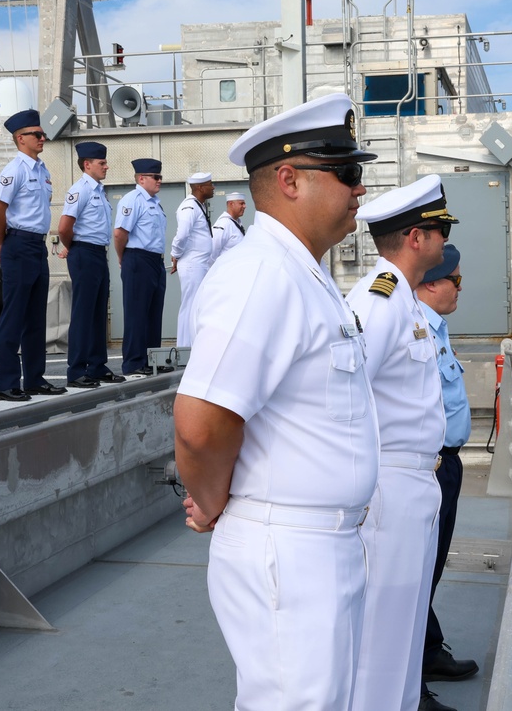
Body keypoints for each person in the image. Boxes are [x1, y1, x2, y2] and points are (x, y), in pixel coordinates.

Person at [175, 92, 380, 711]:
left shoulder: (305, 273)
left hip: (320, 547)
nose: (359, 190)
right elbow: (201, 424)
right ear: (289, 179)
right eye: (346, 174)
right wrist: (212, 503)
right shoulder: (261, 273)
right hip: (287, 551)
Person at [346, 175, 454, 711]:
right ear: (417, 237)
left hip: (414, 483)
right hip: (387, 484)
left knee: (406, 631)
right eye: (439, 230)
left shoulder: (404, 300)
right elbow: (342, 391)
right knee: (382, 638)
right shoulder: (380, 300)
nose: (444, 241)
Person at [416, 244, 480, 711]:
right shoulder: (412, 327)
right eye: (455, 280)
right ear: (430, 283)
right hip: (428, 466)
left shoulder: (435, 327)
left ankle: (429, 652)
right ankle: (409, 688)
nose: (461, 288)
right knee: (414, 577)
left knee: (429, 571)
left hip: (447, 463)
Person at [0, 109, 67, 402]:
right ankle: (6, 383)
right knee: (14, 315)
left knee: (36, 316)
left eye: (41, 133)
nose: (42, 138)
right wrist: (3, 243)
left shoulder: (43, 170)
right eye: (36, 134)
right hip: (17, 243)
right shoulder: (14, 171)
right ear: (20, 139)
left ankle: (34, 378)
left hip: (37, 245)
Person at [57, 141, 125, 388]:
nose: (106, 166)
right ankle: (76, 370)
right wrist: (74, 247)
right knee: (83, 313)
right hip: (84, 252)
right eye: (101, 163)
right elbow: (65, 227)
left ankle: (97, 366)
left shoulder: (99, 190)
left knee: (98, 312)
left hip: (98, 253)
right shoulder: (81, 189)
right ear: (87, 164)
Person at [113, 158, 173, 375]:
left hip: (155, 260)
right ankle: (133, 363)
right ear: (141, 178)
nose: (159, 181)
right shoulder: (132, 200)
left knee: (153, 313)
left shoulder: (155, 202)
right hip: (137, 258)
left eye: (160, 177)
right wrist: (123, 258)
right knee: (137, 313)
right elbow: (120, 233)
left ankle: (151, 360)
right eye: (155, 177)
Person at [170, 172, 214, 347]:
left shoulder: (198, 206)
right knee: (189, 306)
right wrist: (176, 254)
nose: (213, 187)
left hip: (199, 264)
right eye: (210, 184)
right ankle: (184, 348)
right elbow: (182, 235)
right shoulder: (189, 206)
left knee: (197, 306)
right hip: (192, 264)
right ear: (200, 187)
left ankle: (193, 346)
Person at [209, 191, 247, 264]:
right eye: (241, 203)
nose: (245, 206)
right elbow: (212, 252)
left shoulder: (237, 223)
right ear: (231, 204)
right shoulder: (223, 224)